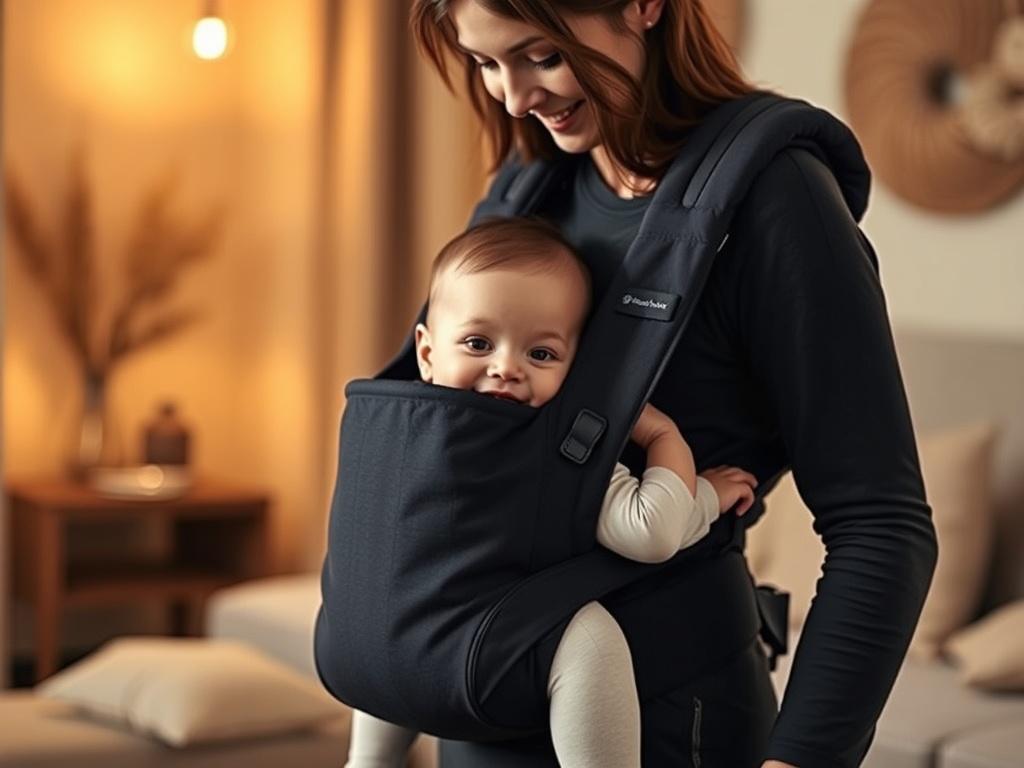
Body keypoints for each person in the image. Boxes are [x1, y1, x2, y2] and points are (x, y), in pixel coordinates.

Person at [408, 1, 939, 766]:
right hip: (483, 701)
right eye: (487, 64)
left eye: (541, 56)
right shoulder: (530, 188)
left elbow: (881, 527)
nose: (515, 98)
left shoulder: (778, 200)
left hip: (673, 717)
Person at [345, 216, 759, 768]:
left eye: (540, 354)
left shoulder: (392, 432)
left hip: (368, 653)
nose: (505, 368)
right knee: (589, 636)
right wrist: (672, 449)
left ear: (575, 366)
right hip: (477, 664)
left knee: (390, 602)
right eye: (478, 342)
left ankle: (368, 761)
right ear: (426, 351)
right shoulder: (554, 445)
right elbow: (652, 532)